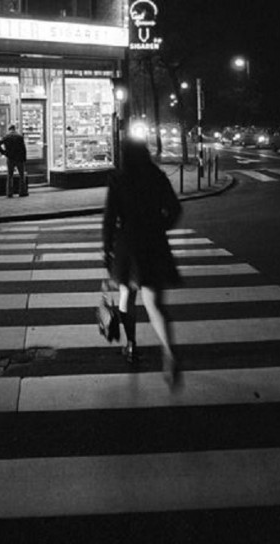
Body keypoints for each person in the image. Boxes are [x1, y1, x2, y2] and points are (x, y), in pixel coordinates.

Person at [102, 138, 182, 387]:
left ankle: (131, 344)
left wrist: (107, 249)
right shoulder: (156, 175)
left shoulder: (118, 178)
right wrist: (160, 227)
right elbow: (175, 209)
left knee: (126, 296)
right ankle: (169, 351)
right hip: (153, 242)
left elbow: (109, 217)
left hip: (128, 243)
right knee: (155, 303)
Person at [0, 124, 28, 197]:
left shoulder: (6, 137)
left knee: (10, 176)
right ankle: (22, 192)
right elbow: (23, 149)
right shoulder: (19, 137)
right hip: (19, 158)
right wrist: (24, 158)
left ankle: (9, 193)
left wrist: (4, 153)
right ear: (15, 129)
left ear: (9, 129)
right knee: (21, 175)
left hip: (10, 158)